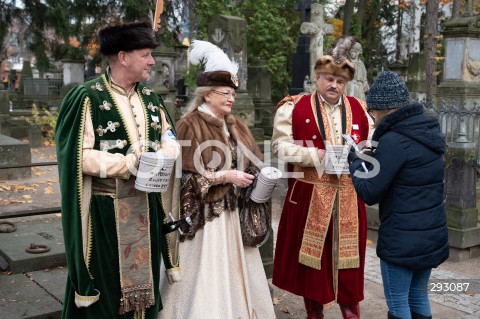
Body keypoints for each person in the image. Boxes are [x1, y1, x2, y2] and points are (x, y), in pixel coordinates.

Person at [55, 20, 181, 319]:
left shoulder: (151, 99)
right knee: (108, 291)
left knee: (145, 291)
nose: (152, 61)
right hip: (104, 214)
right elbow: (76, 156)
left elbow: (170, 137)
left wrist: (165, 154)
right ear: (123, 57)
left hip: (146, 209)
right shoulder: (87, 97)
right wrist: (128, 163)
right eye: (145, 54)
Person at [158, 40, 276, 319]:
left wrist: (261, 178)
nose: (231, 99)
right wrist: (225, 176)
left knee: (237, 273)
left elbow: (253, 162)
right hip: (205, 220)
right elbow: (183, 177)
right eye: (225, 93)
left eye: (233, 94)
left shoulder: (235, 124)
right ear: (207, 94)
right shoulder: (189, 124)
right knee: (206, 277)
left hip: (235, 215)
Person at [271, 35, 372, 319]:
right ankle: (314, 314)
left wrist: (360, 156)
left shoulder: (361, 110)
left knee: (350, 266)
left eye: (339, 82)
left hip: (350, 197)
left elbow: (373, 147)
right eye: (328, 79)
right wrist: (319, 157)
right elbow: (280, 146)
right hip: (310, 195)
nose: (334, 85)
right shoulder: (293, 106)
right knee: (312, 266)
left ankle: (351, 315)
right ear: (317, 77)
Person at [348, 71, 449, 319]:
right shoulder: (428, 131)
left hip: (402, 241)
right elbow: (406, 173)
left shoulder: (394, 140)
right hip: (430, 235)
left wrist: (355, 163)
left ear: (383, 110)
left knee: (398, 304)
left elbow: (369, 192)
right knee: (418, 296)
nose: (373, 121)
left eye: (373, 114)